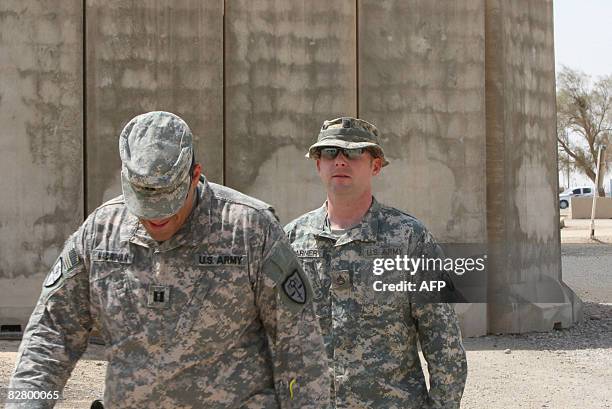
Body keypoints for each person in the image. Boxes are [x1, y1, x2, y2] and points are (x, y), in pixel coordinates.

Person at [8, 111, 330, 408]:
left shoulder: (249, 230)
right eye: (144, 202)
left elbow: (300, 348)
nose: (156, 218)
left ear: (195, 175)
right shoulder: (101, 233)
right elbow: (50, 337)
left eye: (168, 202)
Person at [284, 117, 467, 408]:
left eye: (354, 152)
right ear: (318, 164)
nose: (340, 161)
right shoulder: (292, 240)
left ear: (376, 165)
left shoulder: (410, 238)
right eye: (330, 152)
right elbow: (275, 337)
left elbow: (444, 344)